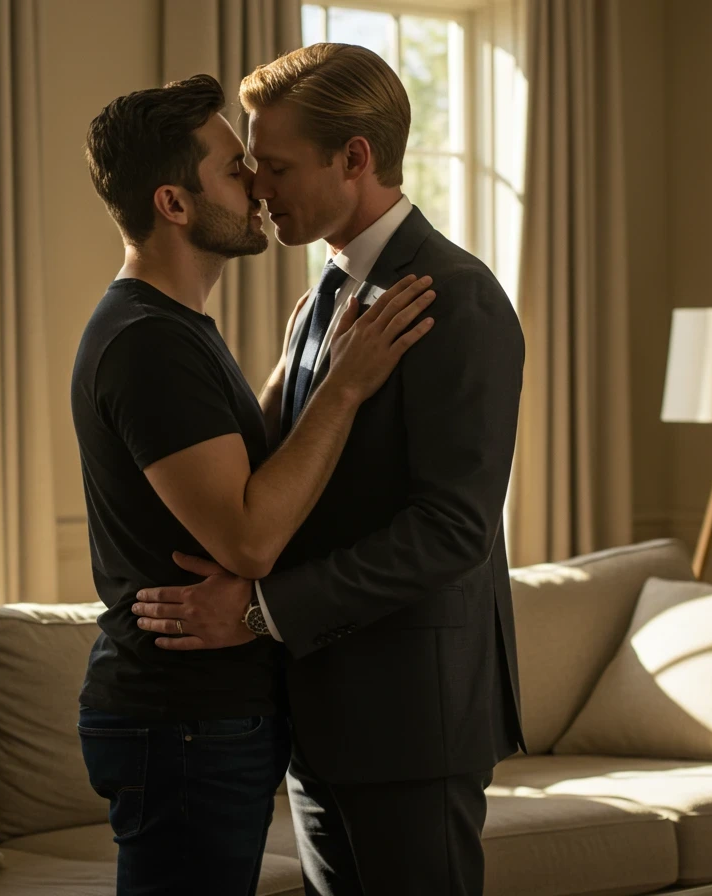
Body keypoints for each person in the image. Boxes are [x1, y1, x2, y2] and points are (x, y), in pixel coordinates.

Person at [130, 44, 528, 896]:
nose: (256, 187)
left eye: (273, 166)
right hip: (319, 719)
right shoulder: (322, 298)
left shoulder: (457, 297)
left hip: (412, 724)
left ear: (354, 159)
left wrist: (263, 612)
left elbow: (453, 528)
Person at [72, 72, 437, 896]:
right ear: (174, 204)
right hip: (183, 721)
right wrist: (341, 386)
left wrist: (298, 358)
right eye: (235, 170)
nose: (258, 187)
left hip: (196, 719)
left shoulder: (173, 331)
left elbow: (238, 463)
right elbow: (248, 537)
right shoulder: (148, 343)